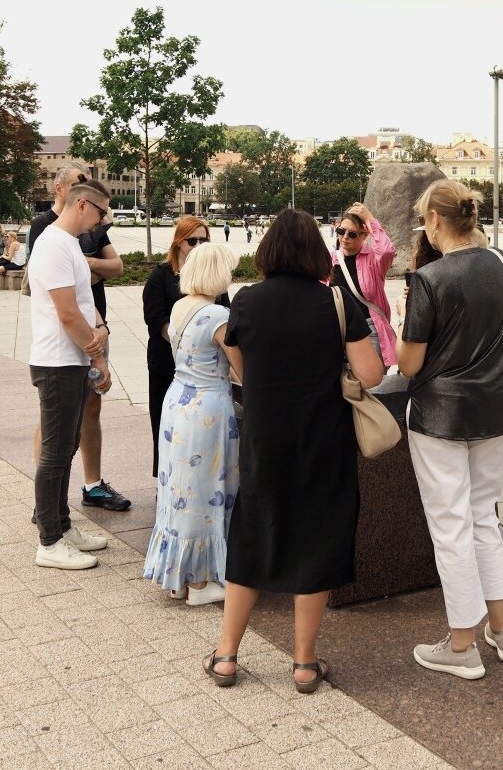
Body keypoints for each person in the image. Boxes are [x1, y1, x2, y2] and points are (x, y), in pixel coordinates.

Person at [202, 209, 382, 691]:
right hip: (324, 438)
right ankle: (304, 665)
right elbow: (371, 375)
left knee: (252, 532)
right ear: (315, 252)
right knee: (316, 536)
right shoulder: (338, 302)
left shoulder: (247, 300)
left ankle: (226, 657)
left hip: (265, 438)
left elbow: (240, 367)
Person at [395, 180, 503, 680]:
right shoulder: (501, 264)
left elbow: (408, 364)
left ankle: (460, 647)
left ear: (434, 219)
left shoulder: (430, 278)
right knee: (482, 517)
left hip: (440, 415)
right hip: (495, 410)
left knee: (450, 524)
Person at [144, 243, 240, 605]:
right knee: (204, 490)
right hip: (208, 409)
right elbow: (241, 368)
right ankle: (201, 581)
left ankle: (178, 576)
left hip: (178, 402)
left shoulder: (180, 307)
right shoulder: (217, 315)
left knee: (178, 492)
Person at [28, 166, 129, 512]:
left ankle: (62, 520)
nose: (103, 223)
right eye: (101, 213)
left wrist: (100, 329)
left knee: (69, 441)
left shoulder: (69, 242)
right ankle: (50, 530)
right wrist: (98, 355)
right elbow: (68, 312)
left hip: (77, 353)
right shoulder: (51, 239)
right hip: (60, 357)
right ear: (82, 203)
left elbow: (91, 296)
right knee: (55, 446)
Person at [142, 217, 228, 478]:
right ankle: (165, 480)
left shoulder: (212, 278)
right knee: (165, 425)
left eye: (204, 240)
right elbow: (156, 319)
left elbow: (227, 316)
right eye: (193, 241)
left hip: (204, 371)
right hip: (168, 366)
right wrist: (189, 342)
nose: (199, 245)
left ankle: (196, 479)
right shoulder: (161, 275)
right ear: (179, 242)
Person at [330, 202, 396, 370]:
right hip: (337, 329)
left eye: (352, 234)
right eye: (341, 231)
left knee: (372, 384)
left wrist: (370, 219)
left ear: (364, 235)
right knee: (342, 386)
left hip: (369, 328)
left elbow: (387, 251)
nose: (345, 237)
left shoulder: (374, 260)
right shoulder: (331, 259)